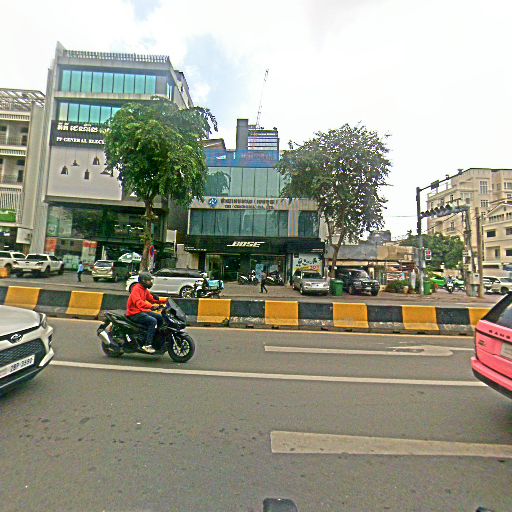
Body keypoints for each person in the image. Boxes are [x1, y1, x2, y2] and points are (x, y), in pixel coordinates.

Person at [126, 272, 166, 353]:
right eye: (149, 281)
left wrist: (165, 301)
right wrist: (151, 307)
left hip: (141, 311)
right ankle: (147, 345)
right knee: (153, 321)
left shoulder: (144, 289)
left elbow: (152, 299)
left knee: (160, 318)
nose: (150, 282)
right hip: (134, 313)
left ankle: (156, 339)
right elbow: (139, 303)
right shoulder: (136, 289)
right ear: (143, 281)